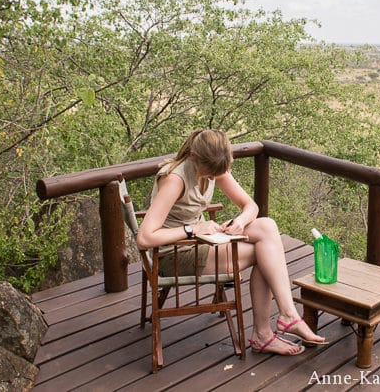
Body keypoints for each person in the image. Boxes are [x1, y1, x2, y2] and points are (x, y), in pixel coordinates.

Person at [136, 128, 326, 355]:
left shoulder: (214, 163)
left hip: (200, 241)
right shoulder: (175, 179)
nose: (213, 178)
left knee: (267, 226)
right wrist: (192, 229)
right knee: (265, 254)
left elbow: (251, 206)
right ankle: (266, 332)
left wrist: (241, 221)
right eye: (210, 173)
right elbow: (145, 238)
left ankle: (288, 315)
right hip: (173, 255)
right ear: (195, 156)